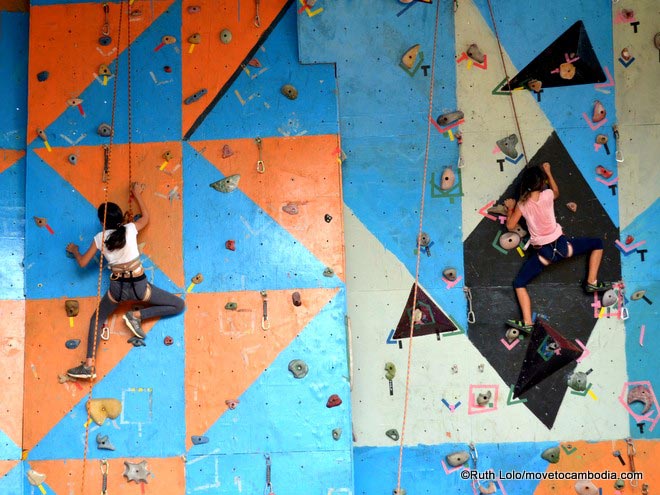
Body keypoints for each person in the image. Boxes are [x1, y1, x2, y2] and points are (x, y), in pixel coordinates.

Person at [65, 183, 185, 379]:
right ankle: (137, 316)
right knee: (178, 305)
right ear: (121, 217)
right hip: (140, 288)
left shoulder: (99, 238)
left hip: (117, 291)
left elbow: (83, 263)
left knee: (96, 319)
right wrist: (137, 193)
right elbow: (146, 218)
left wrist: (75, 251)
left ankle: (88, 366)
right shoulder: (130, 229)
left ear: (102, 222)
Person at [503, 162, 610, 334]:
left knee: (519, 283)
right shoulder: (547, 195)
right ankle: (591, 282)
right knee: (597, 243)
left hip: (543, 254)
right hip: (563, 247)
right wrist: (548, 171)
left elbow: (510, 226)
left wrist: (510, 208)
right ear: (542, 182)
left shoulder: (522, 206)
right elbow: (557, 192)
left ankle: (528, 322)